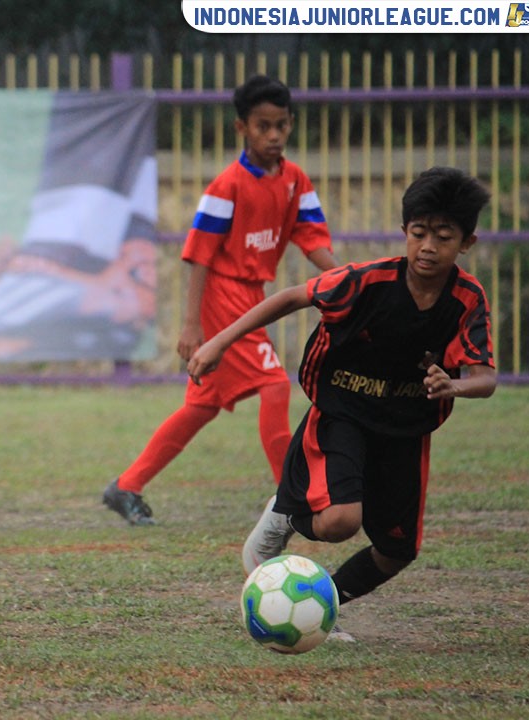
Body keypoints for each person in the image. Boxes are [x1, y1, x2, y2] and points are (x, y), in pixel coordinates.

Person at [190, 166, 495, 639]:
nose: (428, 247)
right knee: (339, 522)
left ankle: (318, 604)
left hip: (405, 427)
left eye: (444, 237)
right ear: (404, 232)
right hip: (343, 411)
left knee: (396, 551)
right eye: (419, 233)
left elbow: (486, 378)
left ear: (466, 243)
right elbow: (292, 297)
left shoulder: (467, 299)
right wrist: (219, 342)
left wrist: (454, 386)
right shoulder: (367, 281)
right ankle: (284, 514)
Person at [103, 74, 336, 526]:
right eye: (263, 126)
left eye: (281, 125)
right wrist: (192, 324)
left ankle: (127, 485)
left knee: (201, 406)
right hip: (224, 295)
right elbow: (199, 257)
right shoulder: (226, 186)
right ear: (241, 128)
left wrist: (348, 279)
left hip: (251, 295)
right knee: (274, 385)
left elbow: (312, 239)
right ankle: (292, 500)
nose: (273, 135)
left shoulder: (295, 181)